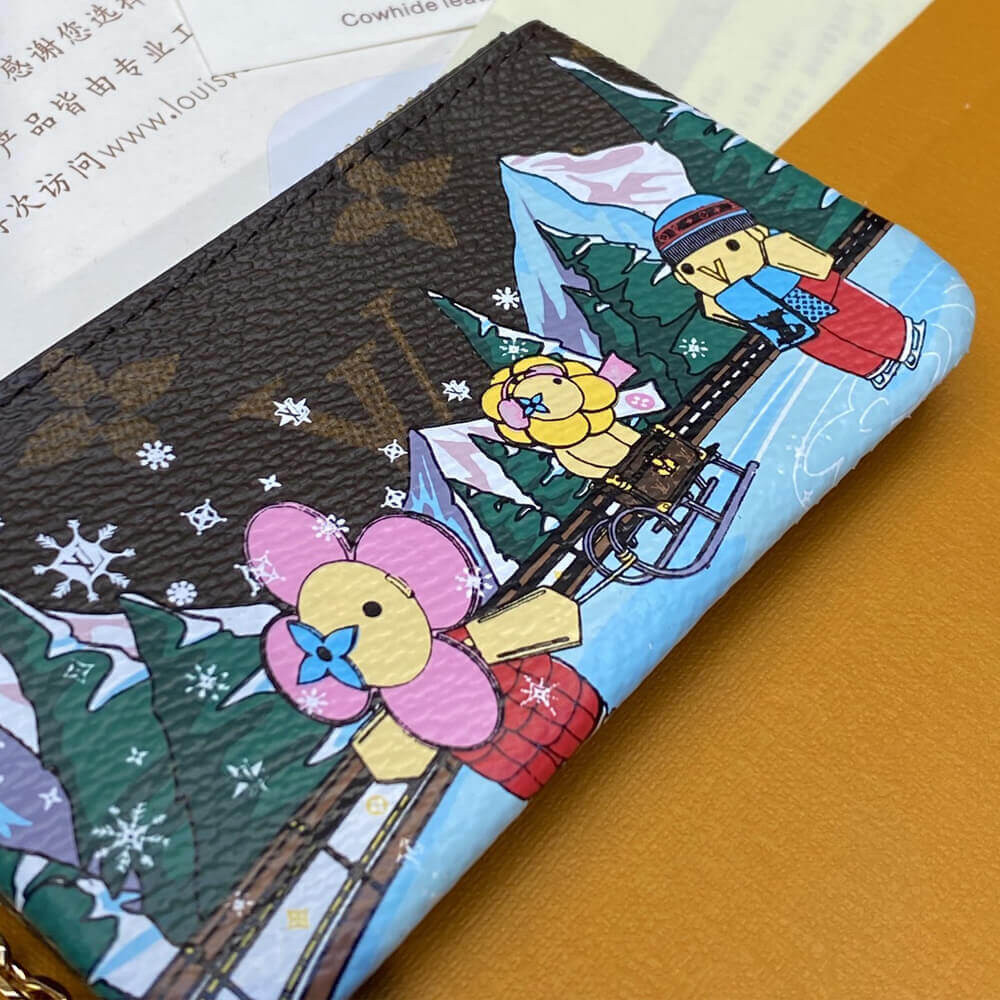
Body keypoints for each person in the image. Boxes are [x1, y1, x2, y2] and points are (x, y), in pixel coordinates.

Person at [653, 193, 924, 389]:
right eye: (691, 269)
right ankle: (873, 367)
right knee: (822, 345)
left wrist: (814, 271)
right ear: (682, 276)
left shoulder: (776, 248)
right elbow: (725, 316)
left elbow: (819, 264)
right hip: (780, 323)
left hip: (808, 291)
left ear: (756, 234)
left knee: (855, 316)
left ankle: (903, 339)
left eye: (732, 246)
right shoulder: (713, 298)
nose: (716, 269)